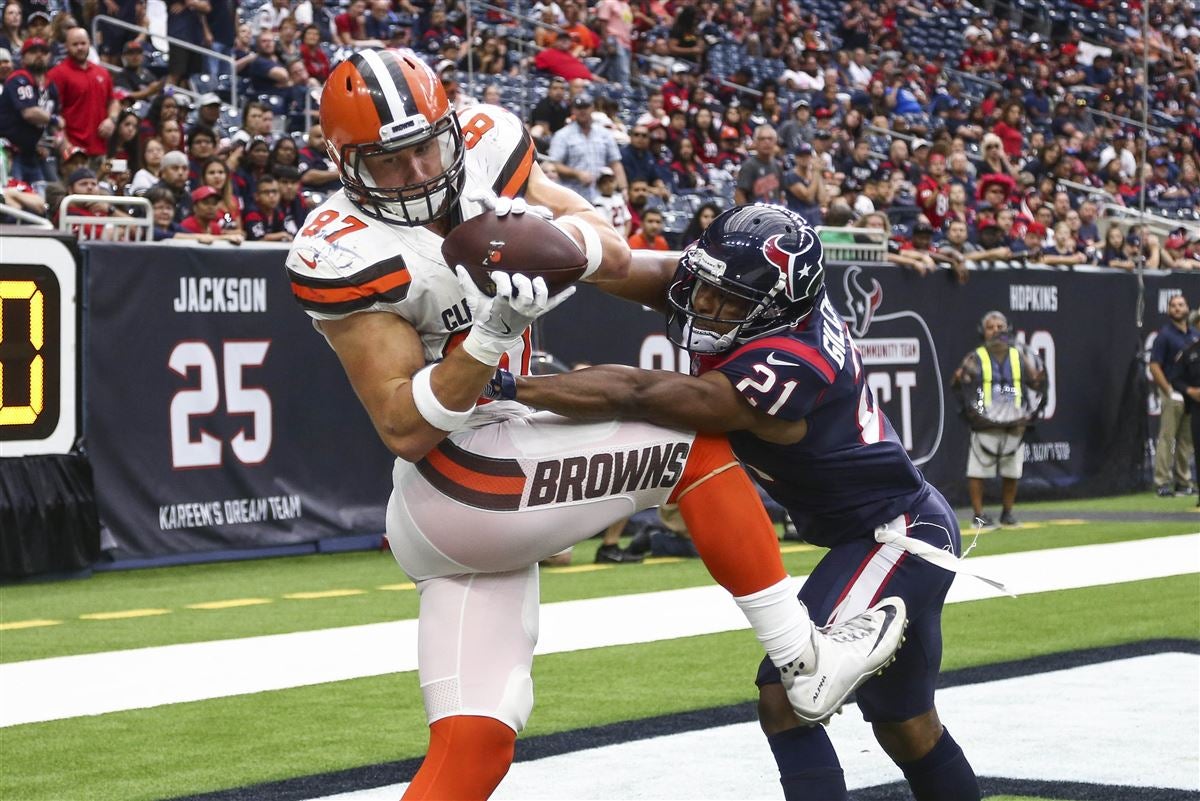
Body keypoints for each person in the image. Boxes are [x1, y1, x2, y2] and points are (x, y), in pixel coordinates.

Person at [286, 50, 906, 801]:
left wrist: (565, 246)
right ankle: (802, 660)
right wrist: (491, 334)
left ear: (453, 129)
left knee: (474, 745)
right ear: (344, 163)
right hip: (457, 479)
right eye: (391, 162)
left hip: (492, 484)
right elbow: (402, 427)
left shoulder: (487, 144)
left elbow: (604, 240)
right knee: (686, 440)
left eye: (428, 147)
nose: (419, 171)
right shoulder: (348, 250)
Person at [500, 205, 979, 801]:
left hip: (896, 535)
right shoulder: (754, 299)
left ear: (775, 307)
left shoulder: (792, 363)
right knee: (908, 727)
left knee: (788, 697)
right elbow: (622, 267)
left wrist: (503, 385)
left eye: (727, 300)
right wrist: (544, 255)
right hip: (887, 528)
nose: (704, 306)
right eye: (705, 287)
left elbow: (639, 390)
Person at [951, 311, 1047, 527]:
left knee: (1012, 470)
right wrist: (960, 380)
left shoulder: (1018, 355)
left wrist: (1039, 381)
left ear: (1007, 330)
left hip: (1013, 422)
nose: (996, 330)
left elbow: (1034, 382)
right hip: (985, 422)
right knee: (977, 470)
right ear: (983, 332)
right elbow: (959, 383)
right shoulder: (975, 357)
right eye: (991, 327)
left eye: (1000, 326)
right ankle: (978, 516)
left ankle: (1008, 513)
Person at [1150, 294, 1200, 496]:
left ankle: (1183, 480)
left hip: (1192, 395)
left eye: (1180, 305)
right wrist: (1169, 391)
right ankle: (1162, 482)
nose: (1177, 308)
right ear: (1168, 310)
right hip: (1174, 392)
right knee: (1167, 438)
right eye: (1173, 305)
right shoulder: (1165, 336)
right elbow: (1154, 366)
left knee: (1187, 441)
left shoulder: (1194, 335)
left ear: (1188, 308)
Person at [47, 27, 119, 160]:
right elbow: (53, 112)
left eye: (83, 43)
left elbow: (113, 101)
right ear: (66, 46)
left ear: (89, 44)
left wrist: (112, 120)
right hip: (72, 150)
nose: (80, 48)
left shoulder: (102, 72)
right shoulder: (57, 74)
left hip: (99, 148)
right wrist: (65, 145)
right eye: (75, 44)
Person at [547, 93, 626, 203]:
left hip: (601, 196)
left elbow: (615, 163)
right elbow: (555, 164)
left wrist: (624, 189)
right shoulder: (562, 135)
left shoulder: (604, 134)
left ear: (592, 108)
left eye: (586, 107)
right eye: (579, 108)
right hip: (573, 196)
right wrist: (577, 173)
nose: (582, 111)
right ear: (573, 110)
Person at [0, 37, 57, 184]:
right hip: (10, 150)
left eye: (43, 52)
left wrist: (47, 140)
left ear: (49, 56)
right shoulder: (19, 79)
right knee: (12, 191)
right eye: (33, 51)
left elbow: (54, 119)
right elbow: (29, 113)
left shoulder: (50, 86)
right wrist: (54, 120)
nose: (39, 55)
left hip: (32, 152)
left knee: (44, 195)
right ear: (23, 56)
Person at [734, 124, 784, 205]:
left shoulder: (777, 166)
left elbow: (781, 193)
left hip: (774, 214)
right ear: (755, 142)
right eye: (762, 139)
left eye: (770, 139)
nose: (766, 142)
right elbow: (739, 194)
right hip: (756, 214)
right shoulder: (749, 166)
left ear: (775, 142)